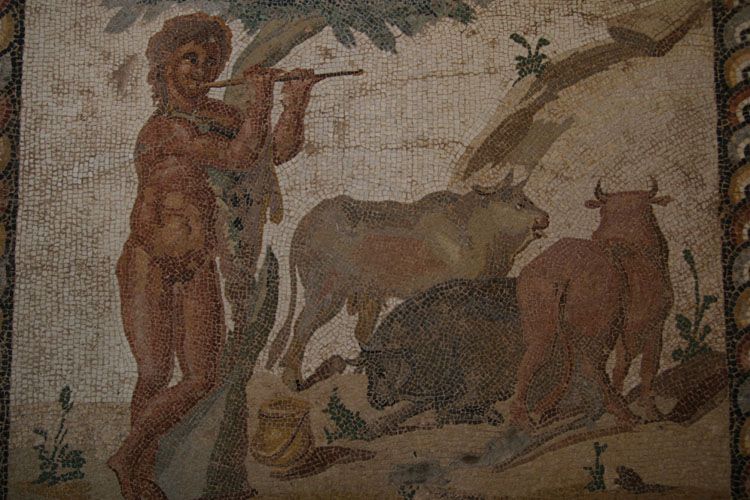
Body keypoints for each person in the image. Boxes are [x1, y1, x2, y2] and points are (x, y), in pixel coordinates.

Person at [108, 12, 321, 499]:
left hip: (197, 263)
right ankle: (138, 477)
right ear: (165, 64)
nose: (202, 69)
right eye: (190, 58)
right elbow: (236, 156)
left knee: (204, 376)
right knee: (154, 374)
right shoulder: (163, 128)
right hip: (149, 262)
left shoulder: (220, 117)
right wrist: (261, 99)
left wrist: (294, 103)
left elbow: (272, 152)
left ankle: (127, 454)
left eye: (210, 61)